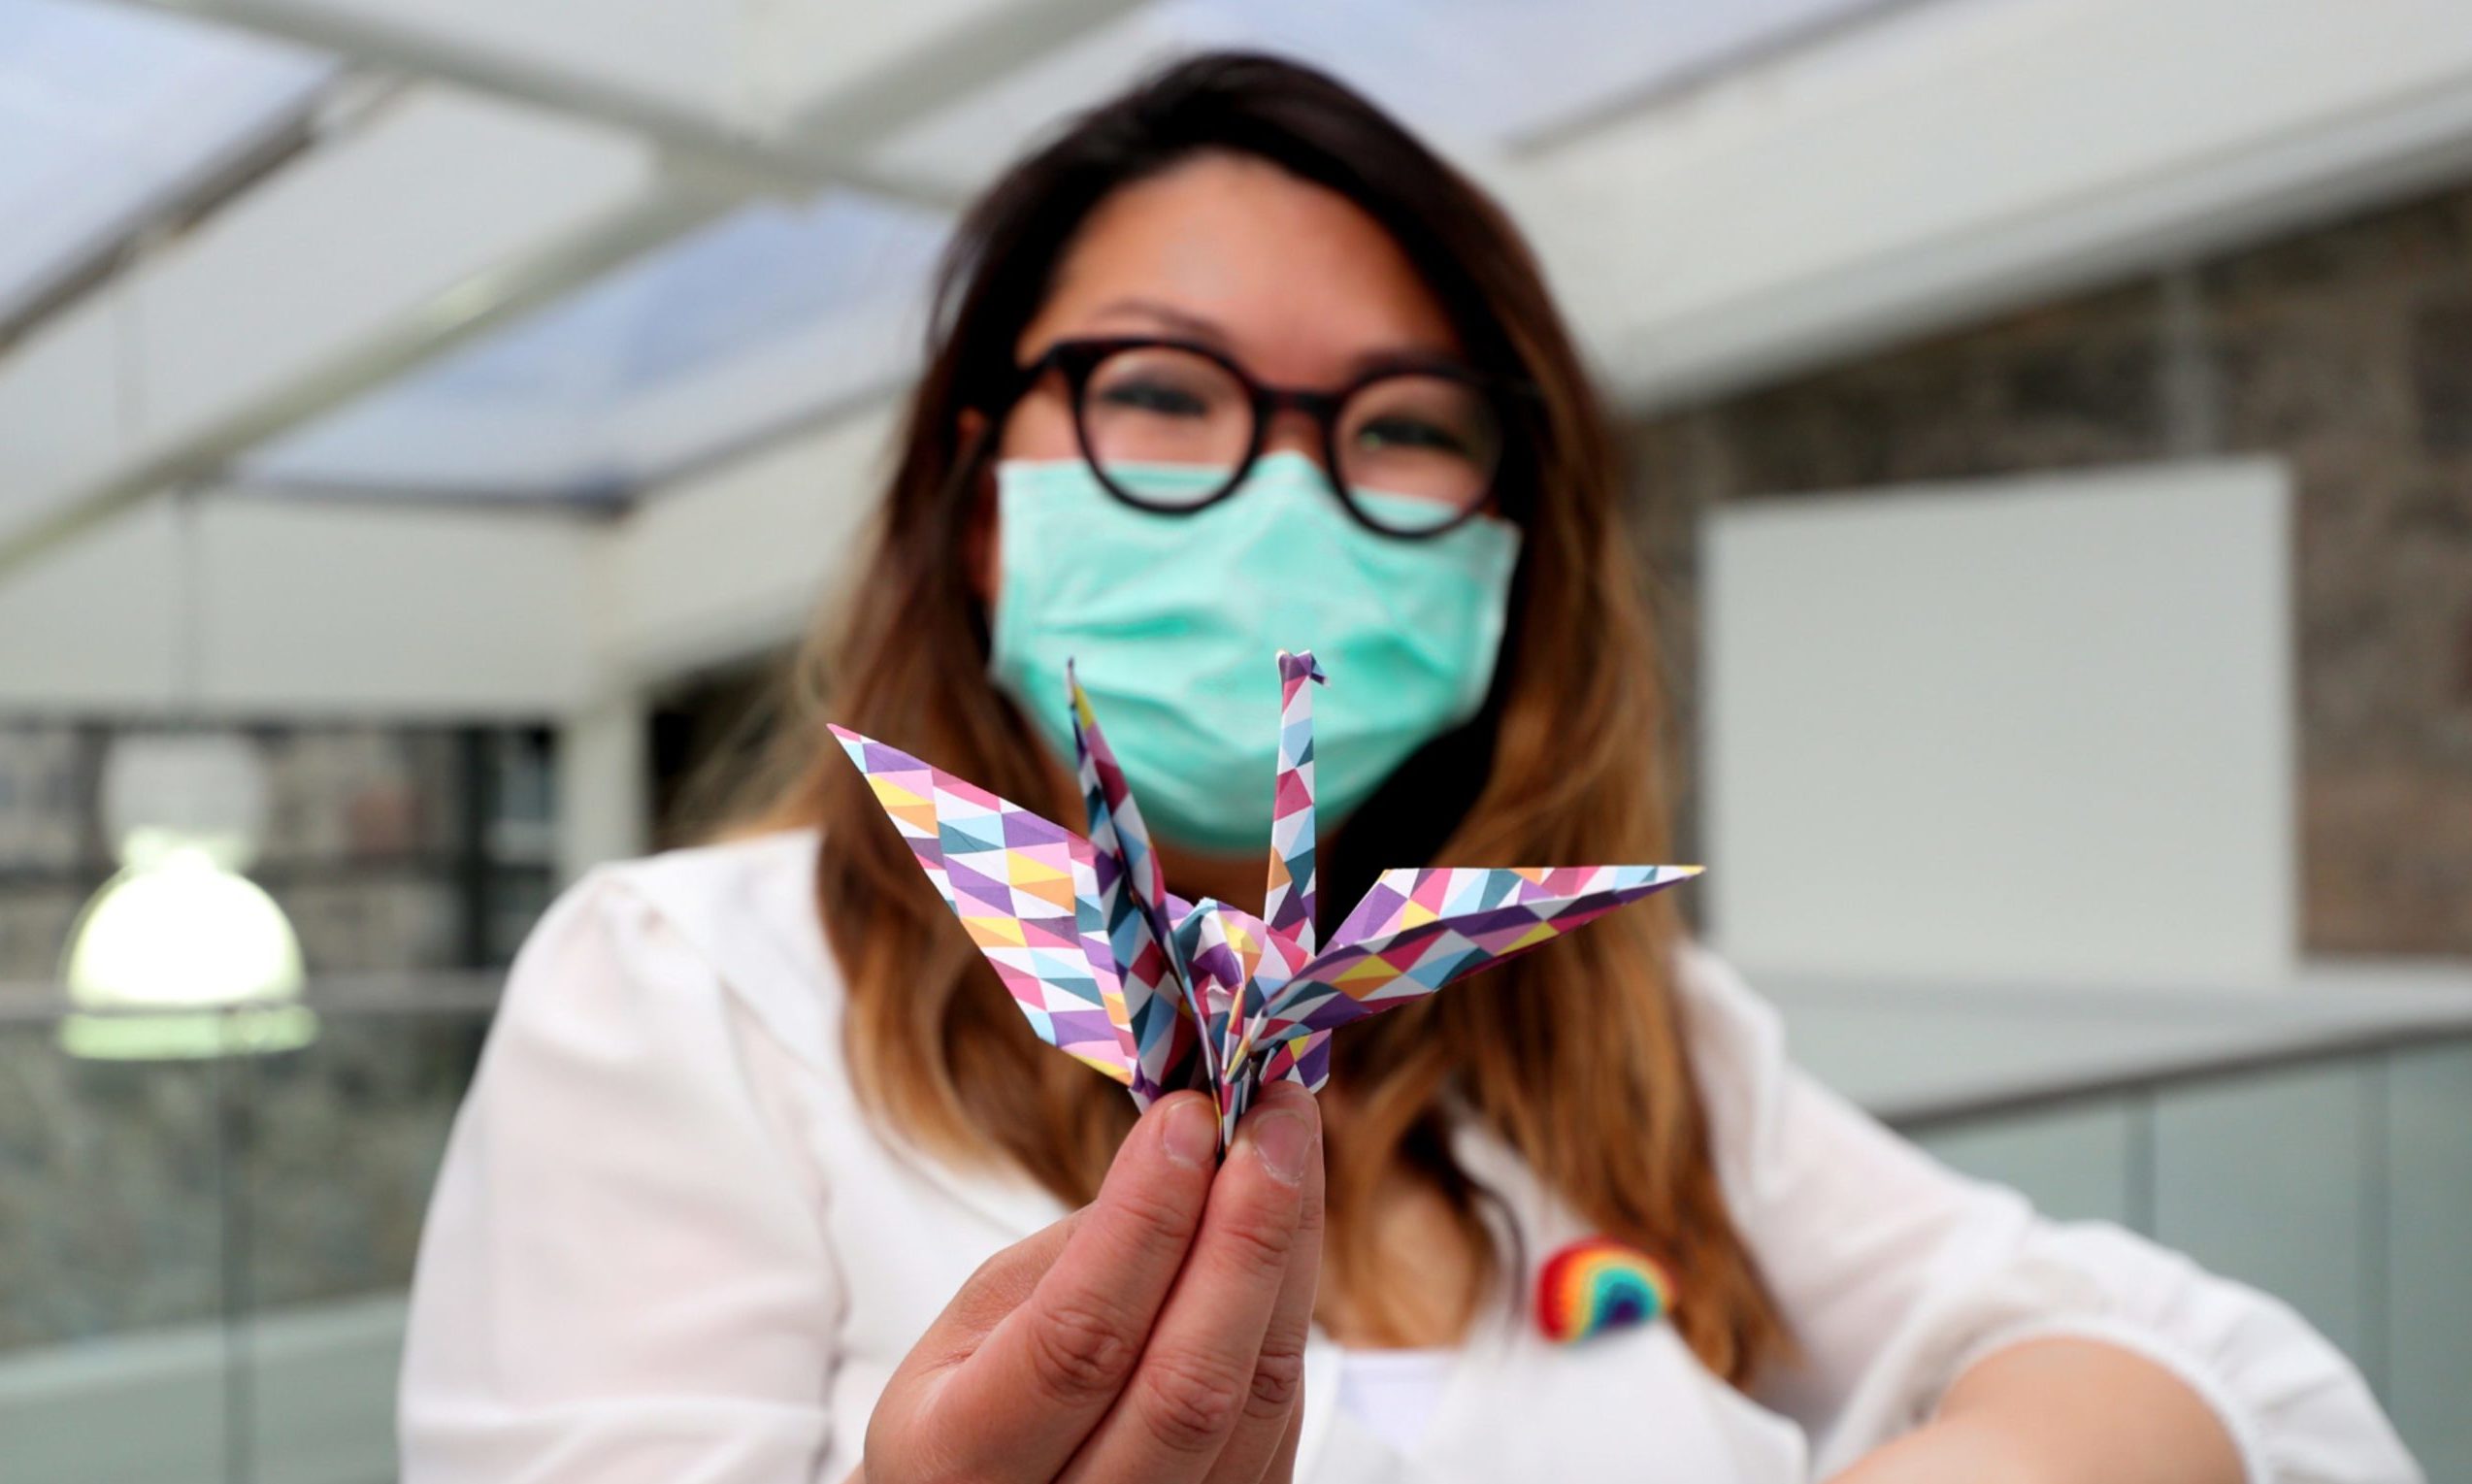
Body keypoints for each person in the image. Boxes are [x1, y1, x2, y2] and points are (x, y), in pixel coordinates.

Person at [399, 53, 2418, 1484]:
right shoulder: (691, 991)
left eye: (1399, 427)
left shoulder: (1623, 1039)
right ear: (981, 492)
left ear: (1502, 546)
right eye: (1161, 395)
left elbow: (2247, 1388)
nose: (1280, 492)